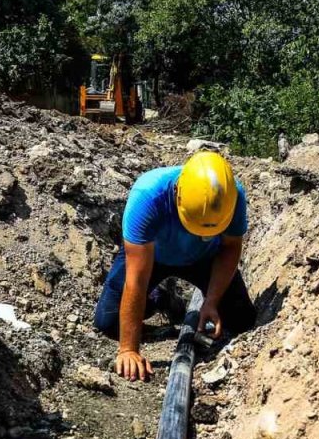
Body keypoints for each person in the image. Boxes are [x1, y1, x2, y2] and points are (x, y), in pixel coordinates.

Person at [93, 151, 257, 381]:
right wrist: (129, 350)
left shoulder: (231, 196)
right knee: (109, 322)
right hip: (153, 257)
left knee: (242, 321)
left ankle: (190, 302)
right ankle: (162, 299)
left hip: (205, 258)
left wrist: (211, 301)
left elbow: (230, 247)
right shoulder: (148, 196)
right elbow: (136, 280)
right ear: (178, 194)